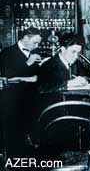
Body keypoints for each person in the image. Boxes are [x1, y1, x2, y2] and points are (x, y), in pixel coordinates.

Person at [0, 27, 42, 158]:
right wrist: (28, 63)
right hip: (13, 100)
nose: (37, 46)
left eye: (38, 43)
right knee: (16, 134)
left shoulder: (34, 51)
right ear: (25, 38)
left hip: (32, 97)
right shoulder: (7, 52)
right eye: (35, 43)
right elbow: (8, 75)